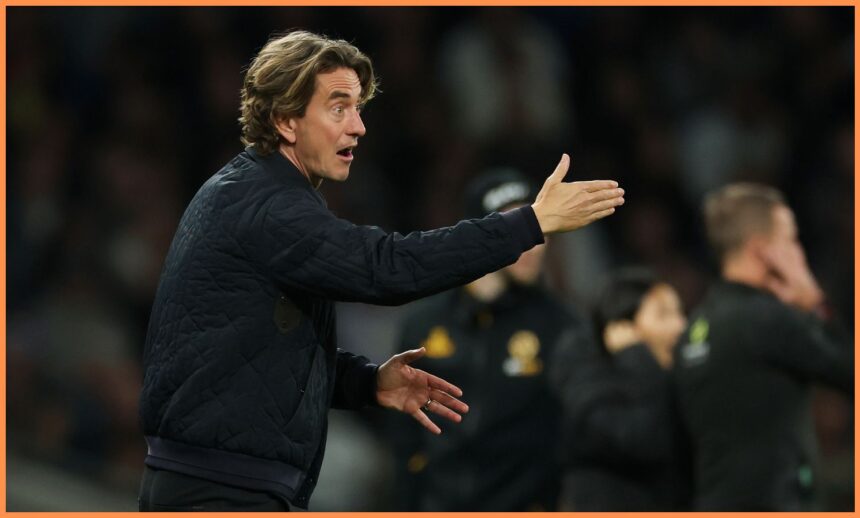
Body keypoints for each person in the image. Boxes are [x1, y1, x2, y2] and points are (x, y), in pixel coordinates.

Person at [137, 30, 625, 511]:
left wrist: (368, 383)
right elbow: (389, 268)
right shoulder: (270, 207)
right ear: (286, 120)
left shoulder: (246, 191)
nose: (359, 126)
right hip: (220, 493)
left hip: (215, 483)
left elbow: (258, 352)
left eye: (358, 107)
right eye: (338, 107)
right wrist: (529, 223)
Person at [385, 169, 587, 511]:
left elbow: (575, 441)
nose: (536, 243)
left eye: (539, 226)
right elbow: (402, 439)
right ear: (483, 232)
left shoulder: (562, 326)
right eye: (520, 225)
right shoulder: (424, 322)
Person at [673, 182, 853, 511]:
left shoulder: (694, 330)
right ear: (762, 250)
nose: (798, 252)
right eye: (790, 239)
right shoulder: (768, 320)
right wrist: (816, 302)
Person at [550, 267, 690, 511]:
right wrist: (639, 359)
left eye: (680, 313)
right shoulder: (586, 375)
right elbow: (640, 441)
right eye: (664, 315)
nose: (681, 326)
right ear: (623, 328)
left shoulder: (681, 375)